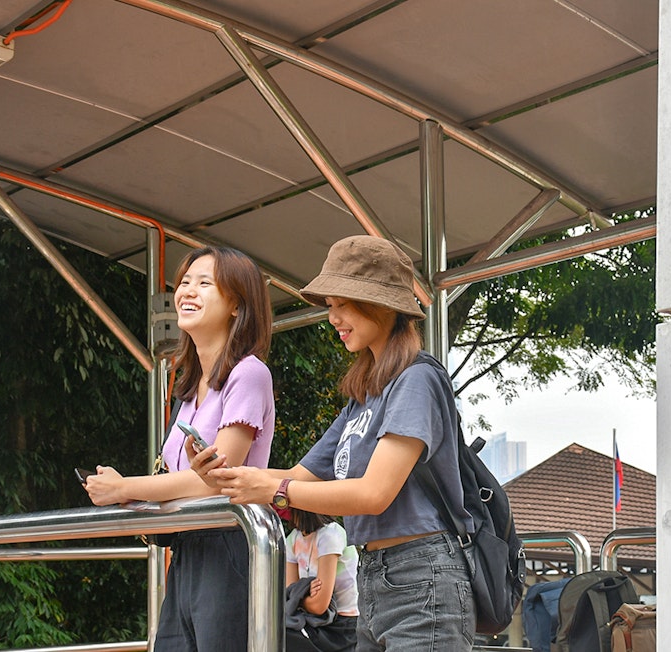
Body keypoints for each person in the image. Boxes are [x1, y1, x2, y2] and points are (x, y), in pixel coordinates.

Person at [192, 235, 474, 651]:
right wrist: (225, 475)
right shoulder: (365, 394)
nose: (333, 318)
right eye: (329, 306)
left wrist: (274, 489)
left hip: (423, 573)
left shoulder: (418, 379)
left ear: (381, 304)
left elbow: (374, 493)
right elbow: (296, 476)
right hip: (375, 577)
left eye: (343, 304)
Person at [85, 245, 274, 652]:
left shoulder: (249, 374)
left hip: (229, 544)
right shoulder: (190, 388)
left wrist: (125, 488)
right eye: (185, 282)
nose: (187, 291)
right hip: (188, 550)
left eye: (205, 283)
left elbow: (214, 483)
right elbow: (178, 478)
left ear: (237, 306)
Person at [283, 507, 359, 652]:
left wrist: (300, 597)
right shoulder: (293, 538)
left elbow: (319, 606)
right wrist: (303, 594)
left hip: (343, 627)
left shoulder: (330, 535)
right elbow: (290, 595)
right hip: (312, 621)